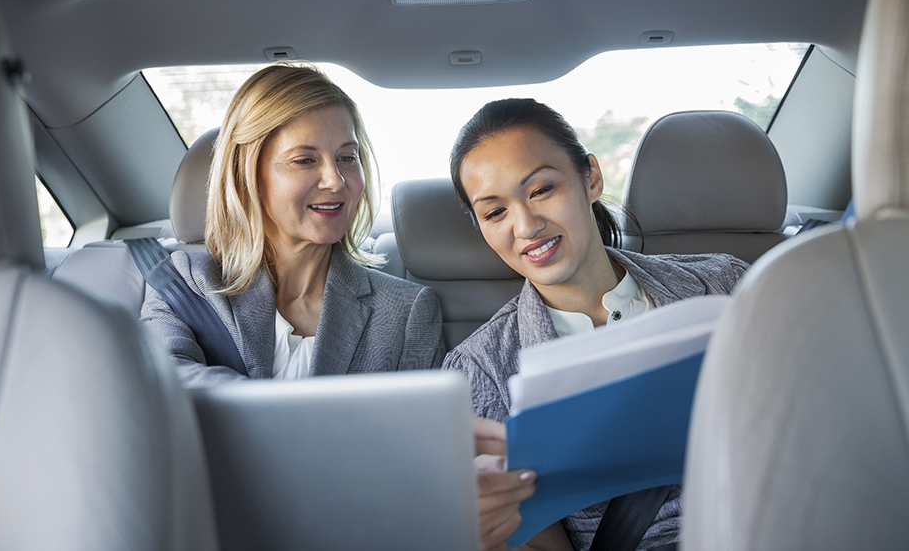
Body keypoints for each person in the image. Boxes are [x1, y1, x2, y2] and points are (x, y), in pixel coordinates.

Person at [443, 98, 749, 551]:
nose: (526, 225)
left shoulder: (727, 282)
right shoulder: (478, 370)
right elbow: (534, 537)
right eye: (495, 212)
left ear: (591, 177)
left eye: (542, 190)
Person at [142, 63, 445, 387]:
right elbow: (165, 384)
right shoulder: (187, 285)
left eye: (346, 157)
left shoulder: (405, 312)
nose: (335, 181)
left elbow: (421, 429)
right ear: (249, 174)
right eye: (304, 160)